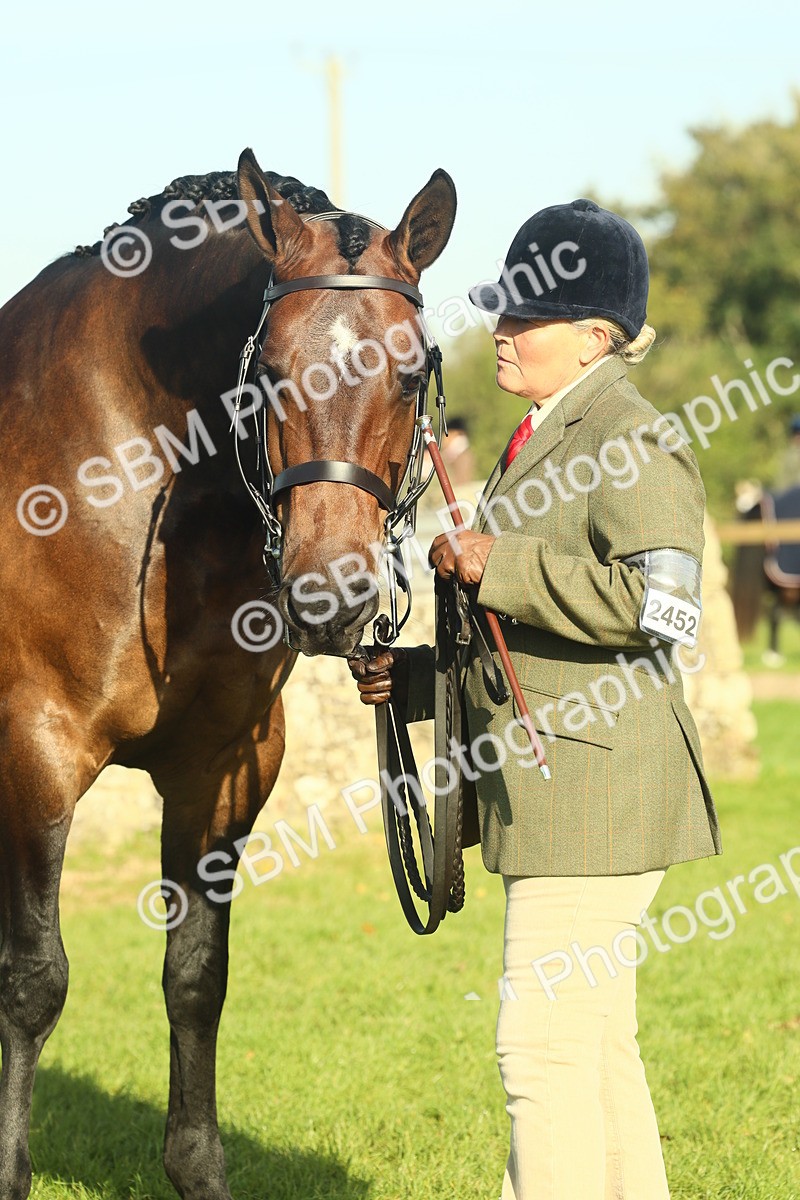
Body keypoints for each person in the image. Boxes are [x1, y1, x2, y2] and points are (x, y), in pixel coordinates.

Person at [349, 198, 722, 1200]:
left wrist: (498, 564)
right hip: (558, 791)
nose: (500, 331)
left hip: (595, 797)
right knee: (593, 1053)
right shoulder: (543, 433)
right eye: (501, 312)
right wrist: (418, 681)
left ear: (593, 336)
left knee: (540, 1054)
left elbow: (668, 616)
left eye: (524, 317)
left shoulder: (629, 437)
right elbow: (522, 638)